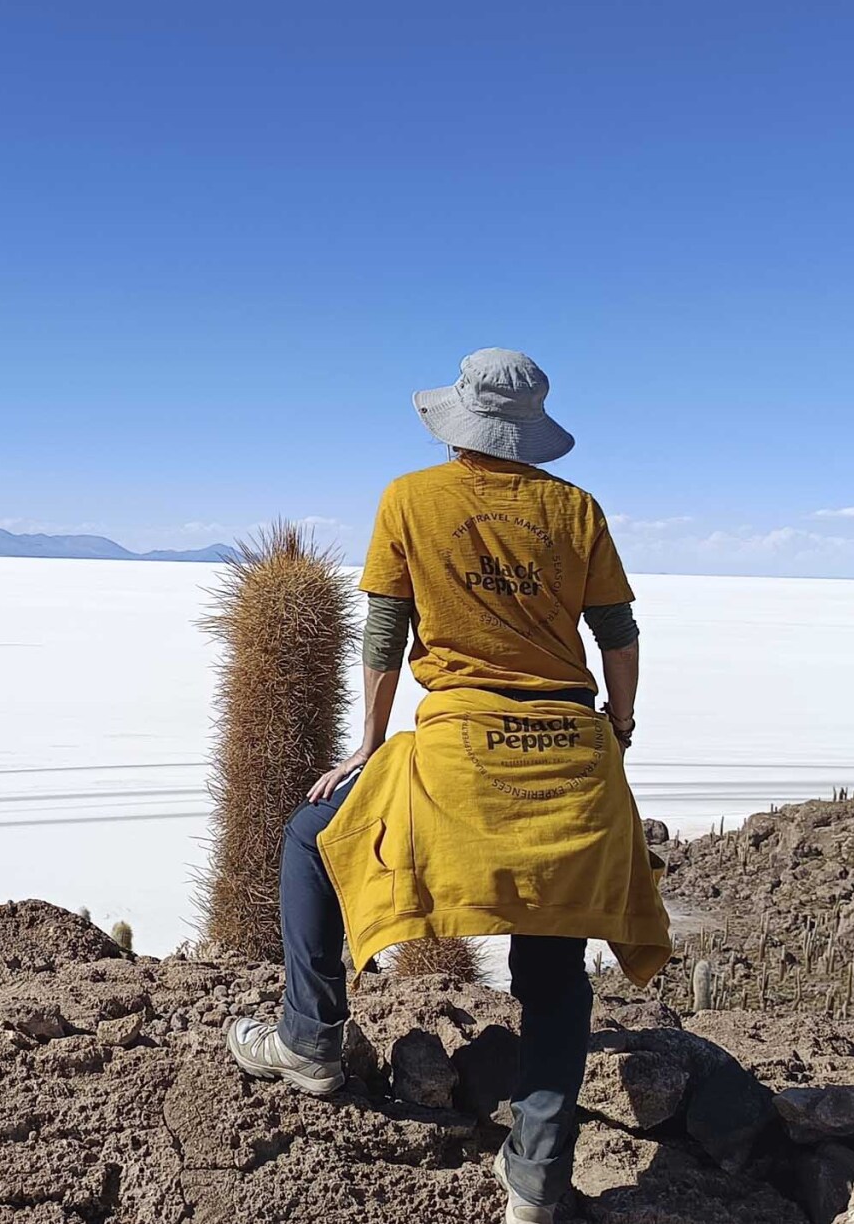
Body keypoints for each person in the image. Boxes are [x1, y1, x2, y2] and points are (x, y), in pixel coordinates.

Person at [225, 348, 671, 1224]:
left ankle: (309, 1037)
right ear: (531, 432)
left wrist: (366, 745)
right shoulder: (574, 510)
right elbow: (619, 635)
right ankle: (537, 1177)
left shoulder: (411, 498)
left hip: (461, 747)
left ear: (460, 420)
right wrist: (616, 728)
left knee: (311, 836)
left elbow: (384, 633)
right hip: (571, 756)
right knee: (552, 957)